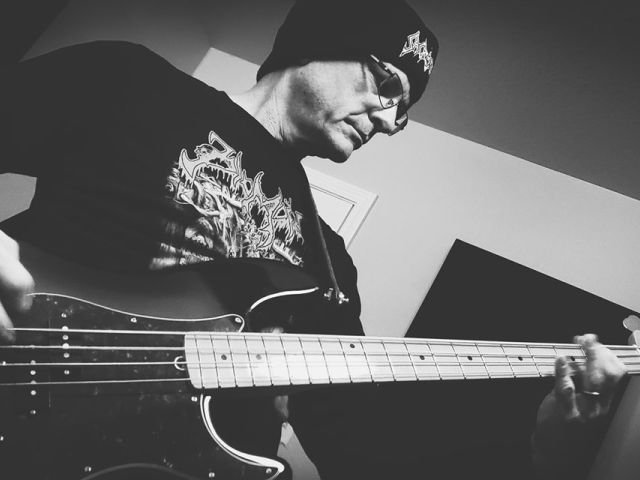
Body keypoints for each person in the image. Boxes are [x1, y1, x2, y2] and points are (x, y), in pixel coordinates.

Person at [0, 0, 628, 479]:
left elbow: (358, 450)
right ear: (319, 45)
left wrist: (548, 446)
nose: (390, 121)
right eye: (387, 85)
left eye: (404, 112)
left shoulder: (330, 265)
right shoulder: (132, 82)